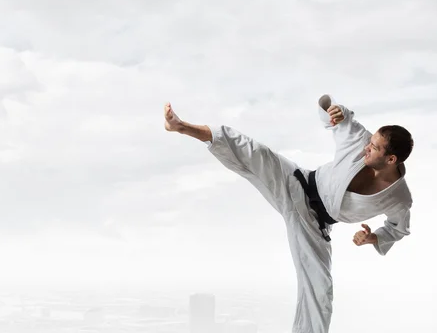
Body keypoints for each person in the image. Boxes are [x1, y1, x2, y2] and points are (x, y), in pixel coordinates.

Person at [163, 94, 413, 333]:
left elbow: (397, 228)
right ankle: (181, 126)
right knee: (253, 151)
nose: (366, 148)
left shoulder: (399, 198)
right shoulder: (360, 140)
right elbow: (336, 113)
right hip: (297, 181)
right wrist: (333, 109)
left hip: (313, 227)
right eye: (370, 142)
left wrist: (373, 238)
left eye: (374, 147)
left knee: (320, 291)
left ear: (391, 159)